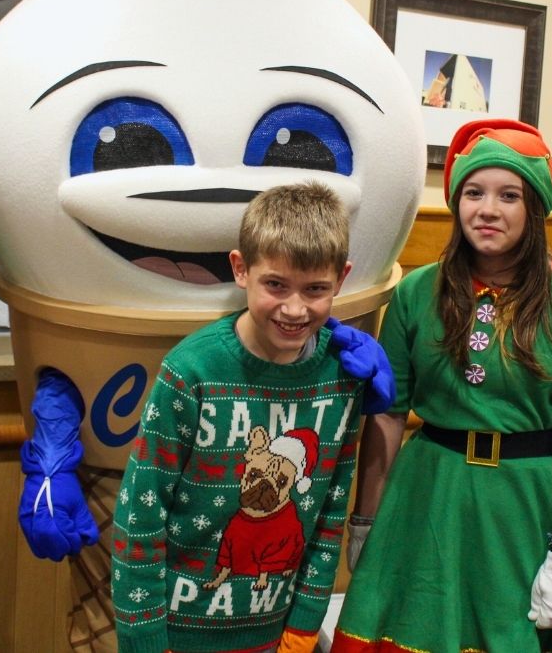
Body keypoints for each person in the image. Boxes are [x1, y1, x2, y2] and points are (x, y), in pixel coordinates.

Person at [332, 118, 552, 653]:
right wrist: (366, 519)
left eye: (509, 195)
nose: (488, 209)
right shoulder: (417, 292)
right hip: (426, 500)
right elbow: (388, 414)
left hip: (525, 509)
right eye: (474, 193)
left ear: (535, 207)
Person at [111, 181, 393, 653]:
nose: (295, 308)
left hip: (276, 634)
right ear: (241, 269)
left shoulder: (343, 378)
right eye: (276, 285)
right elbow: (140, 514)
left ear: (341, 279)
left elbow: (328, 518)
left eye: (316, 289)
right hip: (177, 634)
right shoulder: (191, 371)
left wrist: (304, 627)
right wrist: (143, 639)